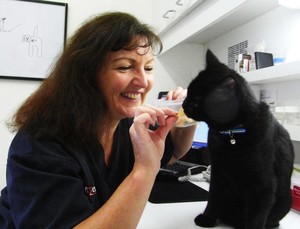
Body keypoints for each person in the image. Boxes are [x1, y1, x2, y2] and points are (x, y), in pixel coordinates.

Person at [0, 12, 196, 228]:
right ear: (86, 75)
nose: (143, 81)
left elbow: (174, 151)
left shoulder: (128, 125)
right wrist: (144, 170)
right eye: (124, 67)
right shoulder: (40, 144)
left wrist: (188, 116)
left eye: (148, 68)